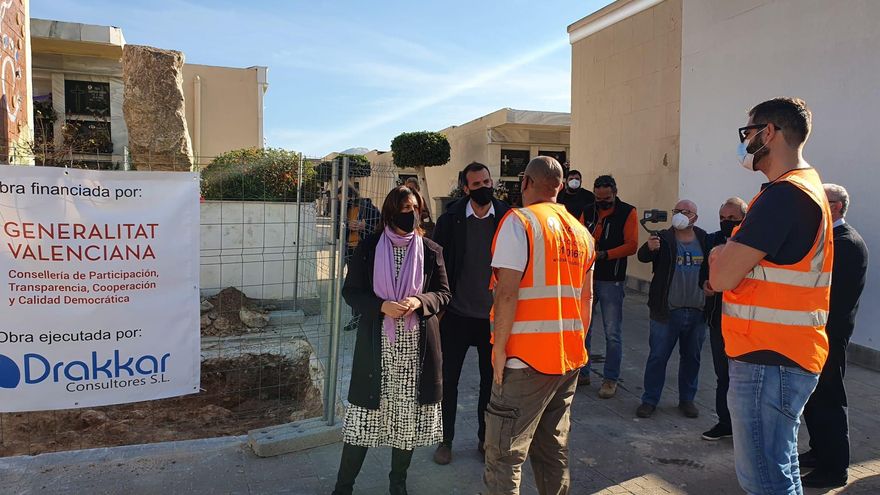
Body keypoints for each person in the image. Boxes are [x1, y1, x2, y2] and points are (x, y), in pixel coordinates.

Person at [709, 97, 833, 495]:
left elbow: (724, 275)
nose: (745, 143)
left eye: (749, 133)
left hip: (769, 358)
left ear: (769, 133)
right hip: (785, 354)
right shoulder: (803, 189)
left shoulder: (784, 195)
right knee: (781, 470)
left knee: (764, 479)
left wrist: (719, 255)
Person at [484, 156, 595, 495]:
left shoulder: (519, 222)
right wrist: (577, 345)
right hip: (567, 358)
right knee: (553, 452)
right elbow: (587, 299)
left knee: (504, 454)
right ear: (560, 187)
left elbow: (506, 293)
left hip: (525, 360)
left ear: (526, 184)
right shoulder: (581, 233)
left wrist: (499, 350)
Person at [332, 186, 451, 495]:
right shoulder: (369, 247)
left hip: (416, 352)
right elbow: (351, 292)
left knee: (407, 425)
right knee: (362, 422)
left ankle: (397, 483)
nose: (409, 214)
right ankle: (343, 487)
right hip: (377, 350)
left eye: (413, 207)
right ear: (389, 212)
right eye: (403, 208)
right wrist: (379, 306)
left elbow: (443, 294)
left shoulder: (431, 250)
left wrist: (419, 302)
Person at [431, 162, 510, 465]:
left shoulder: (507, 217)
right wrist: (437, 308)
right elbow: (434, 263)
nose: (483, 188)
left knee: (490, 383)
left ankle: (483, 439)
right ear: (465, 188)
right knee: (447, 381)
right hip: (457, 316)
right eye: (476, 184)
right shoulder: (450, 218)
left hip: (493, 320)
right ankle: (445, 439)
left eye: (487, 181)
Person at [799, 184, 869, 488]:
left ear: (837, 207)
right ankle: (819, 452)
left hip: (830, 335)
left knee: (829, 399)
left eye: (820, 203)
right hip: (817, 334)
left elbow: (831, 295)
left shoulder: (846, 243)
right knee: (814, 399)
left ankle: (835, 467)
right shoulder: (831, 239)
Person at [635, 200, 709, 419]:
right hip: (666, 312)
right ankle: (649, 400)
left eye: (685, 212)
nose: (679, 215)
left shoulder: (705, 239)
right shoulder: (663, 238)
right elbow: (642, 256)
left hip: (697, 311)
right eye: (676, 211)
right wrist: (649, 248)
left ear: (695, 216)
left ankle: (687, 399)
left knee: (692, 358)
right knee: (658, 357)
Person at [578, 175, 638, 398]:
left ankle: (610, 378)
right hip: (587, 277)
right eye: (598, 197)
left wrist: (605, 255)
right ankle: (582, 371)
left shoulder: (627, 212)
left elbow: (631, 245)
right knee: (584, 328)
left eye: (606, 197)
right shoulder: (588, 210)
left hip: (611, 279)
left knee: (612, 332)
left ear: (615, 192)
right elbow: (580, 236)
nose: (602, 201)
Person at [699, 197, 747, 440]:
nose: (726, 223)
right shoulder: (712, 240)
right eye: (722, 218)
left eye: (732, 219)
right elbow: (702, 275)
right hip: (718, 320)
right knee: (723, 376)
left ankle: (745, 428)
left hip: (746, 323)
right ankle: (724, 422)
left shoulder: (751, 243)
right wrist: (706, 285)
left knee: (745, 379)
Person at [336, 186, 381, 332]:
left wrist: (364, 225)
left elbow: (379, 223)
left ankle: (370, 316)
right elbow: (337, 231)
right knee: (354, 285)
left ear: (349, 196)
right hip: (350, 251)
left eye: (340, 197)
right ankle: (356, 317)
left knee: (369, 283)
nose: (339, 201)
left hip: (366, 251)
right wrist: (347, 226)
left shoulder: (367, 206)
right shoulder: (341, 210)